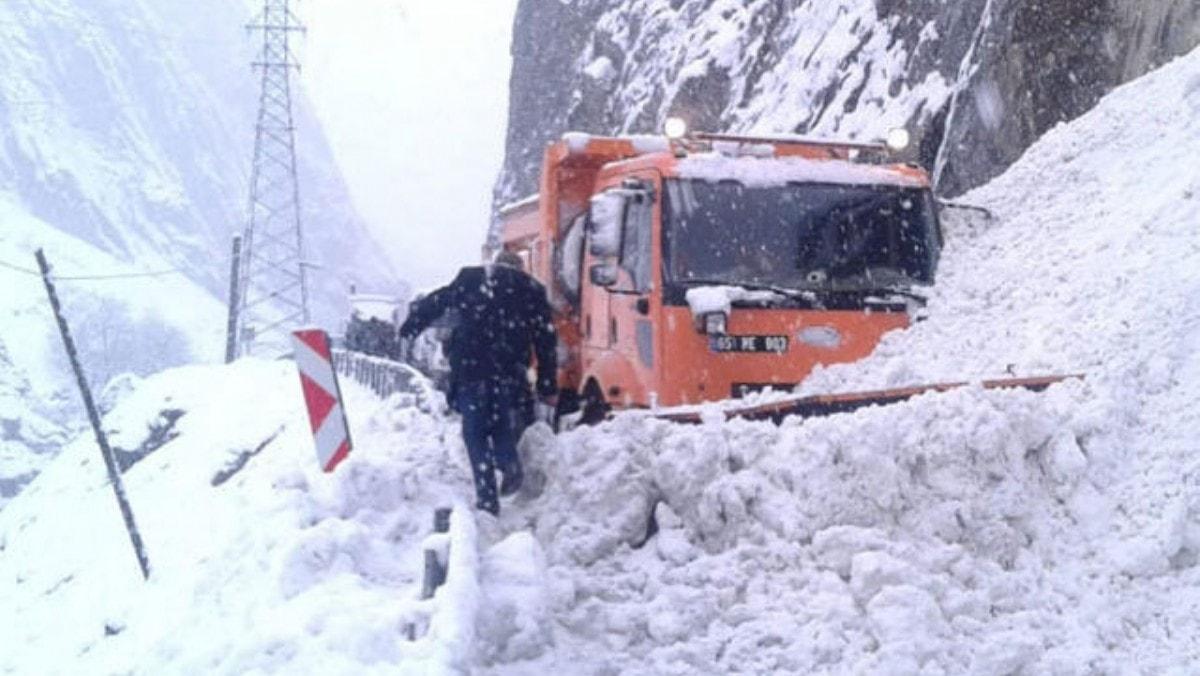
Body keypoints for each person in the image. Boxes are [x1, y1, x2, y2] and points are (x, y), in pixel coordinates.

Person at [399, 251, 557, 516]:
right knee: (500, 424)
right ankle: (509, 464)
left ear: (494, 263)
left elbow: (435, 303)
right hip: (510, 371)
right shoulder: (532, 290)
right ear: (521, 267)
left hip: (472, 369)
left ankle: (487, 498)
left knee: (475, 433)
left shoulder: (470, 279)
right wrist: (547, 384)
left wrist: (409, 329)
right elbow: (545, 340)